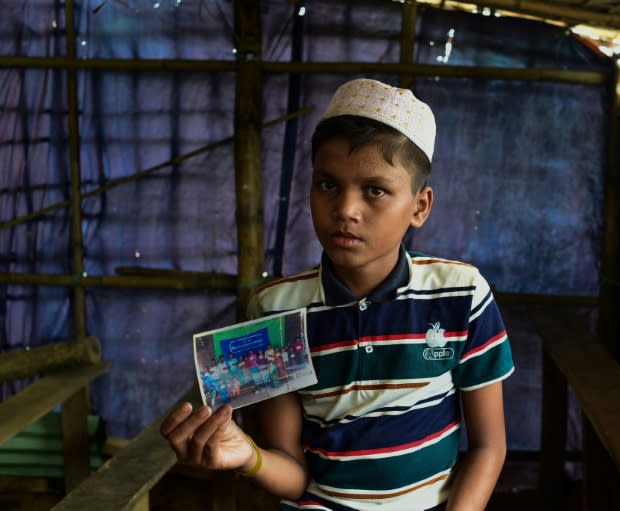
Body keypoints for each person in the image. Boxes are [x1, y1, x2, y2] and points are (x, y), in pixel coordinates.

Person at [161, 78, 514, 510]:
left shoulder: (461, 295)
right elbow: (293, 475)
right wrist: (248, 456)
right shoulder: (275, 309)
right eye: (328, 185)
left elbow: (488, 447)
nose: (346, 209)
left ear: (420, 206)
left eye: (375, 190)